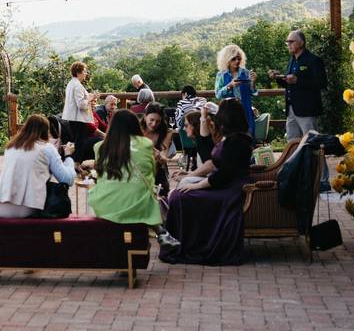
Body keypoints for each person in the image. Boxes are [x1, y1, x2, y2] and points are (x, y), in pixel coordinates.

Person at [162, 98, 254, 265]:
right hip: (225, 184)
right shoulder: (233, 138)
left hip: (230, 191)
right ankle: (184, 243)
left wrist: (195, 185)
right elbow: (217, 166)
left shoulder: (237, 142)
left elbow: (221, 176)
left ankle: (188, 245)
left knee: (180, 197)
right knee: (178, 195)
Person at [86, 109, 179, 254]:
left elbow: (100, 175)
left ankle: (160, 233)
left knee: (100, 192)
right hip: (139, 204)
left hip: (106, 204)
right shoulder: (145, 144)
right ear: (135, 125)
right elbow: (151, 173)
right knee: (145, 192)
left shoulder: (100, 147)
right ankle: (161, 232)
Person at [0, 114, 76, 218]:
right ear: (46, 131)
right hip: (27, 207)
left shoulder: (10, 147)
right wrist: (68, 156)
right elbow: (68, 179)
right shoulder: (47, 148)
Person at [268, 29, 327, 141]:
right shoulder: (292, 60)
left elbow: (322, 83)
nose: (288, 44)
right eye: (287, 42)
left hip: (307, 110)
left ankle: (313, 160)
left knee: (311, 142)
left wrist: (298, 80)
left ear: (301, 43)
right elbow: (289, 84)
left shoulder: (314, 60)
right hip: (291, 109)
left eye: (292, 41)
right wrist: (278, 78)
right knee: (292, 143)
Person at [61, 61, 103, 161]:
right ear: (78, 72)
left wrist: (91, 97)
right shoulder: (77, 85)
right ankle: (76, 163)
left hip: (73, 118)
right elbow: (81, 104)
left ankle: (75, 163)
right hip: (78, 118)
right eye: (84, 71)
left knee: (78, 142)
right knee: (80, 143)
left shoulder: (72, 83)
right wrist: (90, 98)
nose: (86, 73)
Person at [215, 44, 257, 137]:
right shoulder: (221, 75)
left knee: (248, 138)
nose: (237, 61)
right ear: (227, 59)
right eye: (233, 59)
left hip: (246, 111)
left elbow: (253, 93)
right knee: (230, 139)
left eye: (239, 58)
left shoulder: (246, 73)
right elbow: (218, 94)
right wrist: (229, 86)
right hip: (229, 113)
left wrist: (253, 82)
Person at [141, 103, 173, 197]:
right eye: (151, 120)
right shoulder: (137, 129)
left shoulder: (166, 132)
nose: (154, 124)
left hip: (157, 167)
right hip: (137, 167)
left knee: (163, 190)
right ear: (145, 117)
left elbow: (164, 154)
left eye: (158, 121)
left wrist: (160, 156)